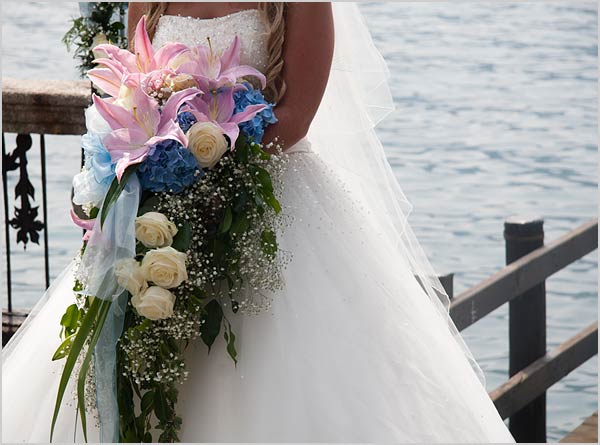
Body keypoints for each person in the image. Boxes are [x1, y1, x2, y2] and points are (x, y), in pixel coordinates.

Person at [2, 2, 516, 442]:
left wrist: (211, 170)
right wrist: (151, 171)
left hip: (269, 197)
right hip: (158, 201)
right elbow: (130, 94)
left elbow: (297, 115)